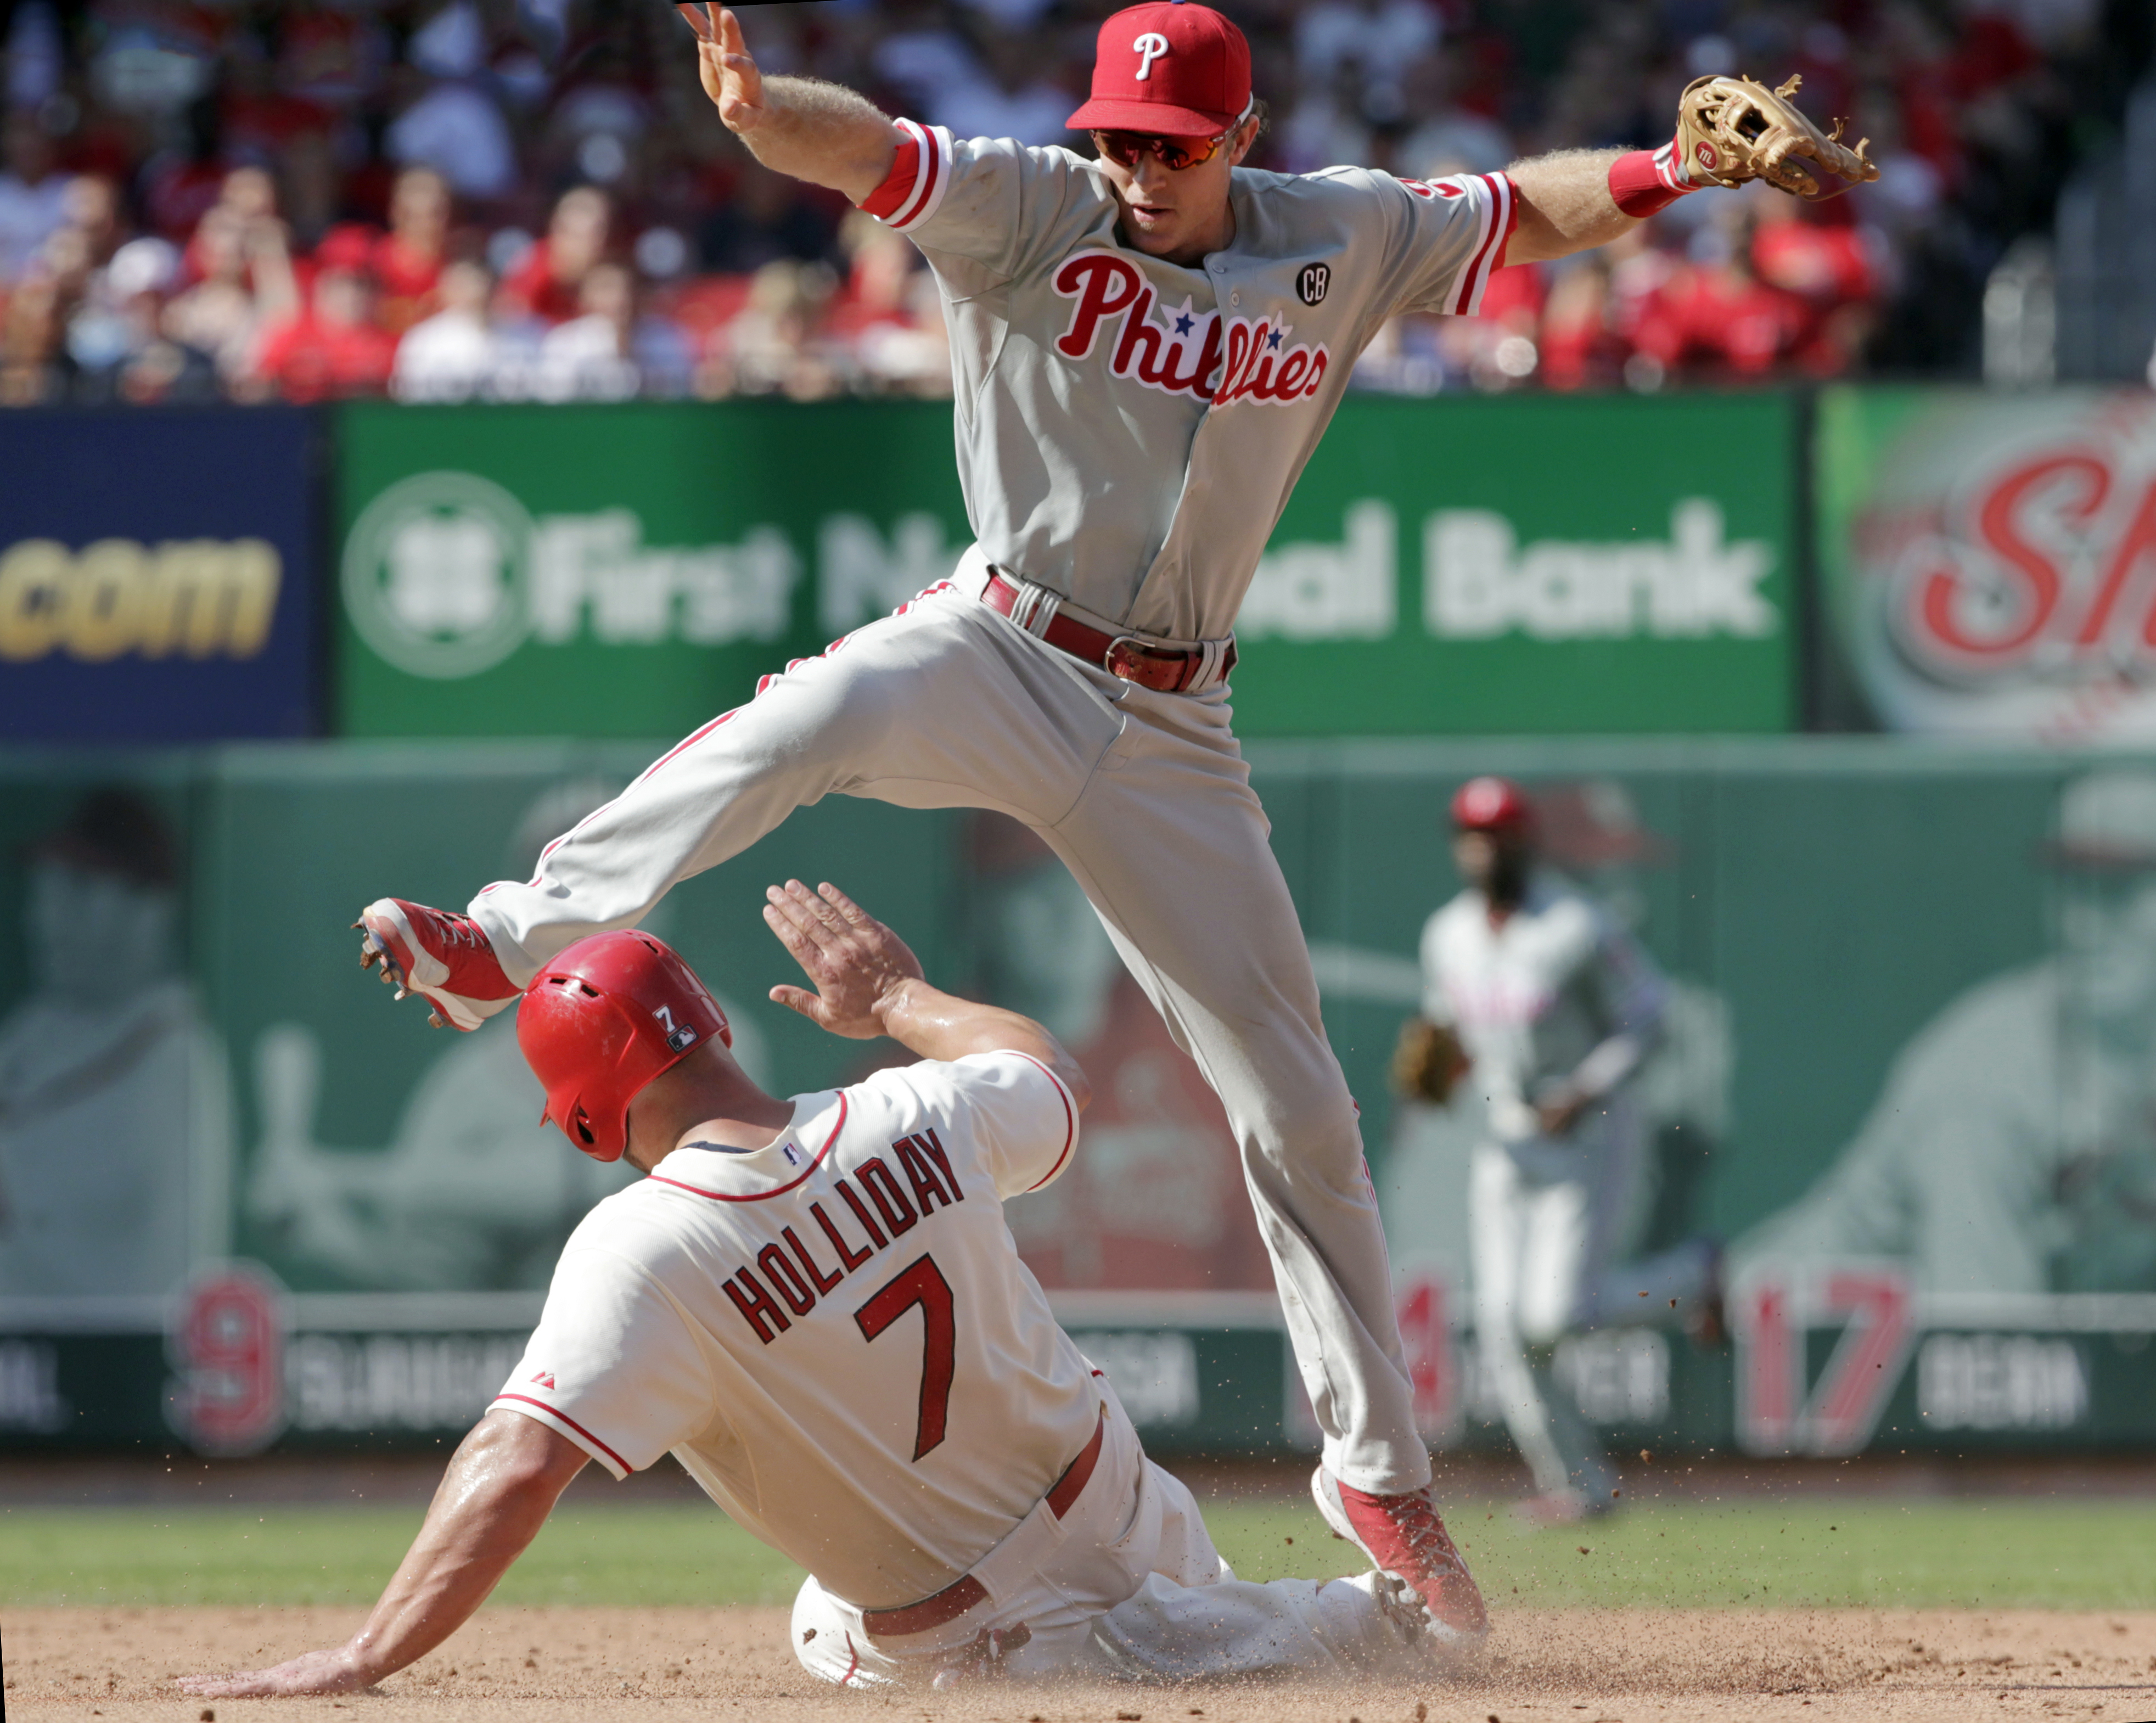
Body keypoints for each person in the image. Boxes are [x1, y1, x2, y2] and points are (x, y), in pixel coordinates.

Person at [347, 0, 1816, 1637]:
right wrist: (765, 116)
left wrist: (1669, 165)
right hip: (1000, 640)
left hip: (1173, 720)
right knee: (801, 716)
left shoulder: (1340, 231)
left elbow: (1512, 213)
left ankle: (1377, 1473)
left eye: (1165, 145)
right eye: (1114, 133)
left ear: (1239, 142)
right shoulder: (1034, 202)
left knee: (1300, 1099)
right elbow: (870, 152)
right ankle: (507, 936)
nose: (1131, 166)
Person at [184, 885, 1449, 1697]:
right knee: (862, 1605)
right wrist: (900, 1000)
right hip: (1123, 1495)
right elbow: (1039, 1064)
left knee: (831, 1631)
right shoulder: (913, 1104)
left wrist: (366, 1654)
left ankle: (1230, 1643)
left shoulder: (644, 1248)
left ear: (579, 1119)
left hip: (974, 1635)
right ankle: (1284, 1623)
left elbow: (516, 1466)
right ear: (716, 1027)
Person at [1405, 777, 1716, 1523]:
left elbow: (1649, 1012)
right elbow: (1446, 1031)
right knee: (1508, 1328)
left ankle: (1692, 1279)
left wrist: (1583, 1087)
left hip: (1590, 1132)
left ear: (1526, 841)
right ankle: (1581, 1483)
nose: (1488, 847)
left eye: (1502, 832)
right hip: (1503, 1139)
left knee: (1552, 1317)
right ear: (1460, 846)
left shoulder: (1576, 923)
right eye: (1475, 834)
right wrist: (1434, 1058)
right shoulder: (1446, 933)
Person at [1738, 768, 2156, 1297]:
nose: (2082, 925)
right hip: (1784, 1333)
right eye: (2073, 888)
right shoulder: (1991, 1072)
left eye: (2118, 893)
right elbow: (1984, 1342)